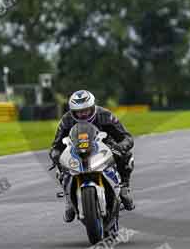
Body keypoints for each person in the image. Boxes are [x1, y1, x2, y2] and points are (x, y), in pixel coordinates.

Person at [50, 90, 135, 222]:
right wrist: (56, 155)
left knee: (127, 157)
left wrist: (120, 147)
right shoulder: (66, 120)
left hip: (104, 149)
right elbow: (56, 146)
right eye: (78, 112)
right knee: (60, 166)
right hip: (77, 152)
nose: (83, 114)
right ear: (72, 111)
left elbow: (126, 137)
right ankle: (69, 199)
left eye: (86, 110)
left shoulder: (105, 115)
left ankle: (124, 187)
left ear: (93, 107)